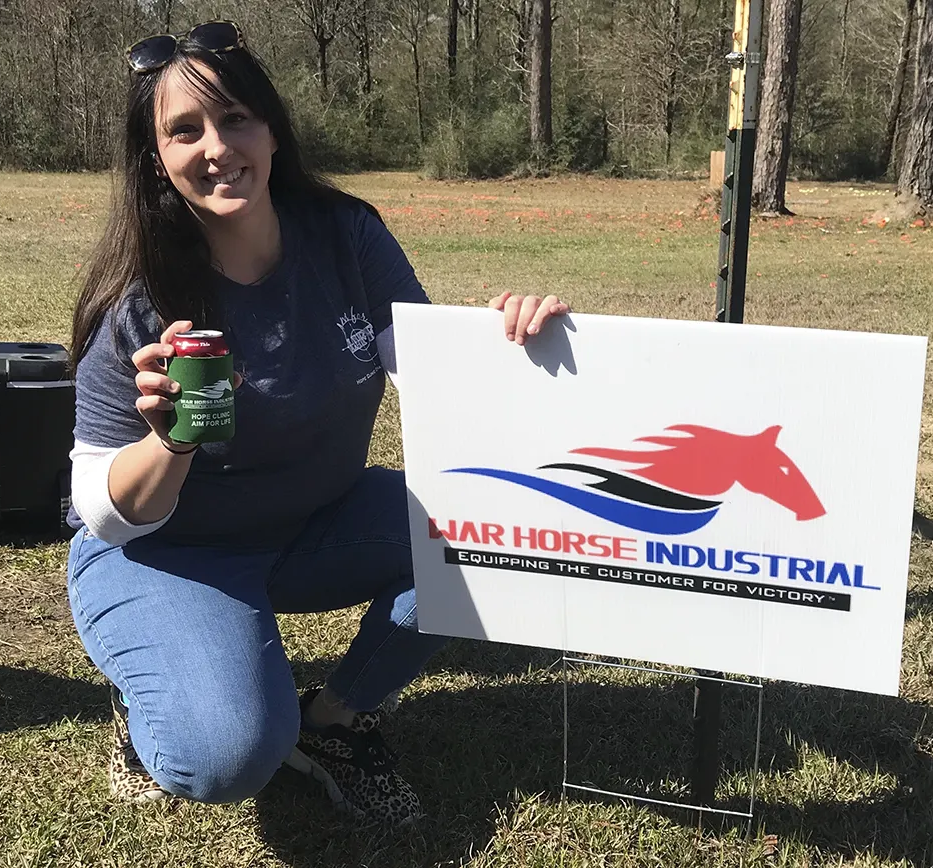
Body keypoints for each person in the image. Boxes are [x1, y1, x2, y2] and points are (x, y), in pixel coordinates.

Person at [66, 20, 570, 826]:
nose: (216, 146)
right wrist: (169, 438)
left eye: (235, 118)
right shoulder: (137, 297)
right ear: (157, 157)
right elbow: (100, 510)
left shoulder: (345, 235)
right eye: (184, 129)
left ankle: (333, 721)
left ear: (271, 129)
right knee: (224, 756)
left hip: (317, 520)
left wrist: (517, 342)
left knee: (495, 527)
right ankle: (156, 697)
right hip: (170, 555)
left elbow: (431, 376)